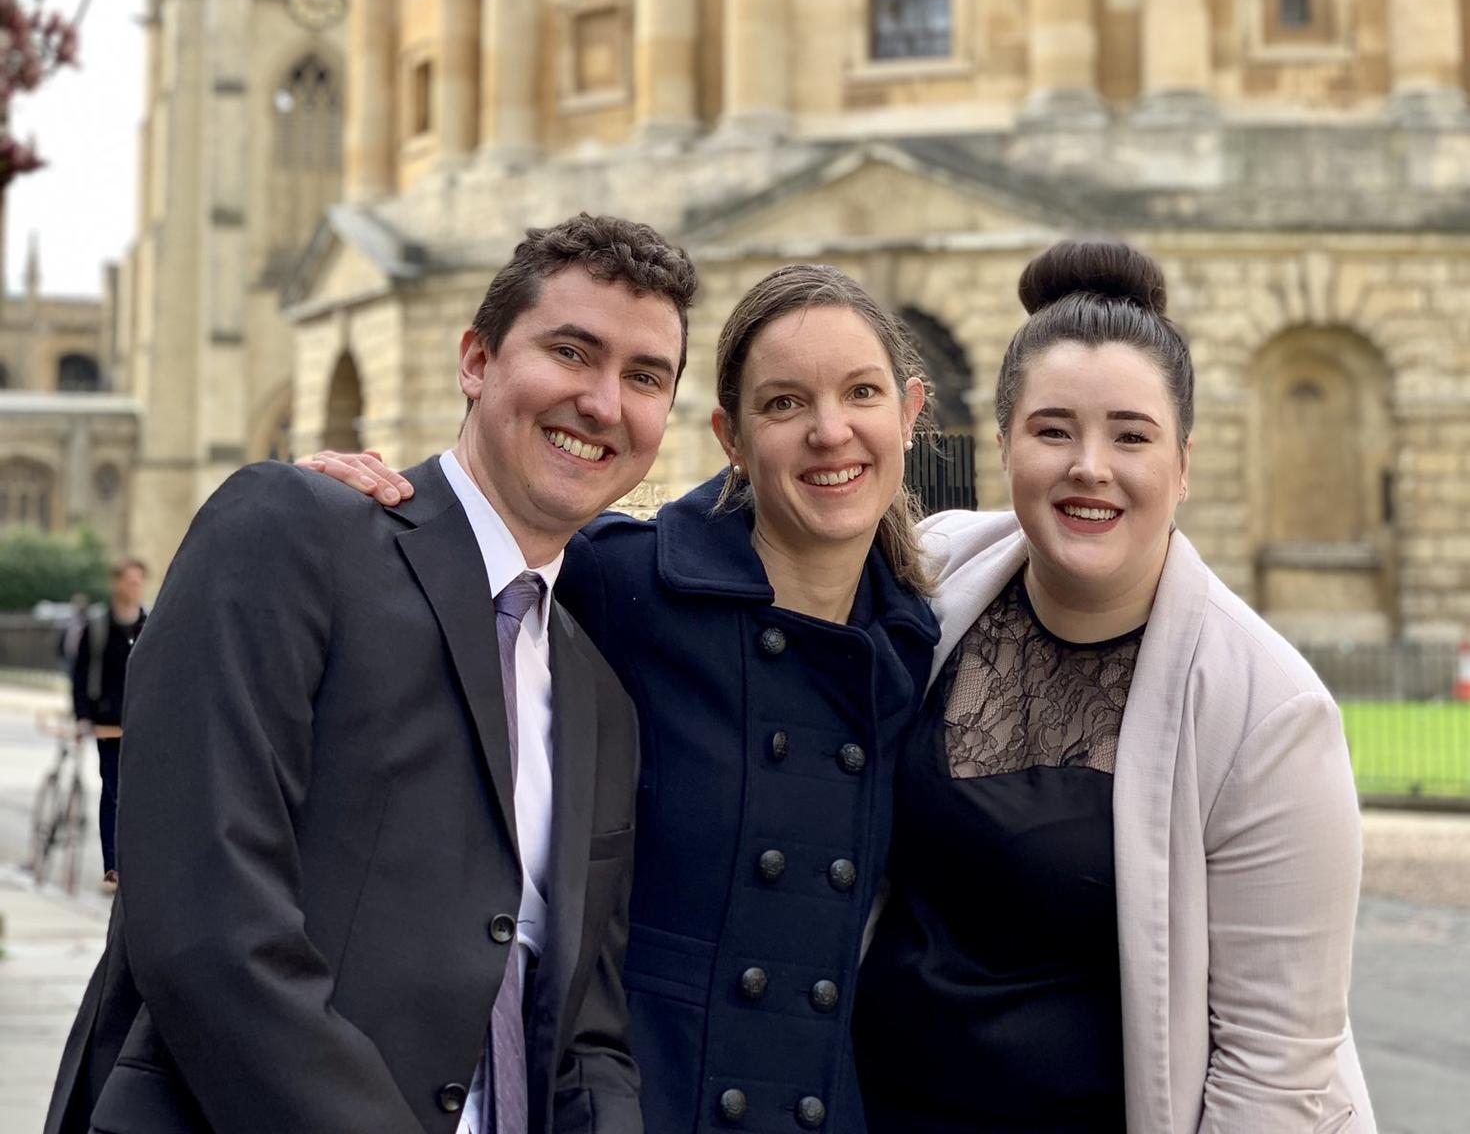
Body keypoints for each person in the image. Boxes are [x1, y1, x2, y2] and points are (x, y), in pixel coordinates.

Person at [46, 211, 697, 1134]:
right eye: (571, 350)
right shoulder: (297, 531)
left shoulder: (595, 692)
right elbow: (208, 930)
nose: (603, 402)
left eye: (644, 378)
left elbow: (584, 1027)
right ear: (475, 361)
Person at [311, 262, 940, 1134]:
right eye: (785, 404)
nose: (830, 432)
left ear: (908, 415)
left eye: (861, 393)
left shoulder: (916, 645)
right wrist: (350, 521)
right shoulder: (620, 585)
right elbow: (453, 576)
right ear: (730, 436)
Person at [856, 238, 1374, 1134]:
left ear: (1182, 463)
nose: (1088, 466)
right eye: (1053, 430)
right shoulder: (934, 572)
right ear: (1003, 444)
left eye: (1131, 436)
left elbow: (1276, 1070)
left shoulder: (1270, 714)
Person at [70, 558, 147, 887]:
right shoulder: (99, 626)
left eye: (137, 581)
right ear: (116, 583)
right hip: (108, 722)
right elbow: (81, 672)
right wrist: (83, 715)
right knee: (114, 790)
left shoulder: (151, 624)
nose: (132, 587)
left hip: (142, 721)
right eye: (127, 581)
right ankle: (114, 865)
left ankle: (140, 860)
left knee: (141, 793)